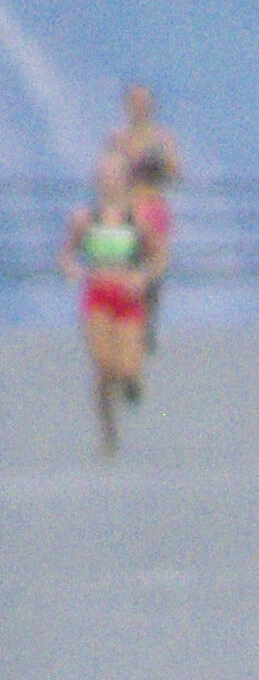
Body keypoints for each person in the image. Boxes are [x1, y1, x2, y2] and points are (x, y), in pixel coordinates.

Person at [60, 153, 163, 455]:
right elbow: (66, 254)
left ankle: (132, 378)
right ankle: (108, 431)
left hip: (128, 298)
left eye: (116, 176)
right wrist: (74, 270)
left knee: (126, 368)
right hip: (98, 296)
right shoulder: (84, 219)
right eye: (105, 176)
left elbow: (158, 256)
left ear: (126, 181)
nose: (110, 182)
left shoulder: (137, 219)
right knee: (103, 366)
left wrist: (143, 278)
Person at [105, 83, 180, 350]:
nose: (139, 106)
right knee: (121, 268)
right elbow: (107, 174)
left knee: (155, 269)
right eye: (134, 101)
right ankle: (121, 325)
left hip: (153, 205)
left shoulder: (162, 137)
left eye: (143, 101)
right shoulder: (118, 137)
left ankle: (147, 323)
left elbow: (176, 173)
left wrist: (158, 160)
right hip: (127, 209)